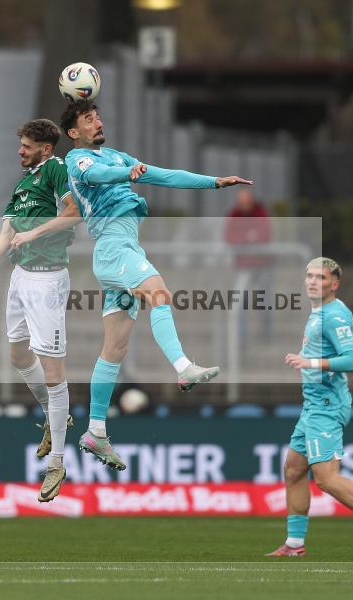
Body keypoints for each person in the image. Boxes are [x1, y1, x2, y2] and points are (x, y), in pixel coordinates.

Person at [60, 99, 252, 470]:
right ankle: (182, 366)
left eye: (98, 115)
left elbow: (165, 174)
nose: (97, 121)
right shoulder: (78, 160)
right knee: (159, 292)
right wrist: (124, 175)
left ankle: (95, 431)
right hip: (114, 246)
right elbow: (95, 177)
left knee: (114, 348)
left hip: (126, 245)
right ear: (73, 132)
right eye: (88, 119)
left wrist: (213, 182)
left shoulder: (115, 155)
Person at [0, 118, 81, 502]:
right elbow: (4, 238)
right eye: (20, 144)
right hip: (21, 277)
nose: (20, 151)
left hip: (48, 278)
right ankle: (55, 415)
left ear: (45, 147)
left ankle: (57, 461)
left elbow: (74, 214)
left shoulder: (57, 170)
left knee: (53, 369)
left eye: (26, 145)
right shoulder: (22, 185)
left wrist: (35, 233)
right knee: (17, 353)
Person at [266, 257, 353, 558]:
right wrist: (307, 358)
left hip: (327, 404)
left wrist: (310, 362)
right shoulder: (319, 312)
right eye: (309, 275)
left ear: (334, 284)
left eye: (320, 277)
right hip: (314, 403)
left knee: (326, 478)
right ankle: (294, 544)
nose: (312, 281)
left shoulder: (335, 316)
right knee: (293, 469)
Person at [224, 188, 273, 341]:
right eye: (241, 201)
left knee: (264, 301)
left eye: (247, 201)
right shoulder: (234, 214)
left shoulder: (261, 211)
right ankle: (241, 339)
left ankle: (266, 334)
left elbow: (264, 235)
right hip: (243, 266)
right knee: (239, 304)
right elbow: (230, 237)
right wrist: (248, 238)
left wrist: (245, 239)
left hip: (262, 264)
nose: (244, 205)